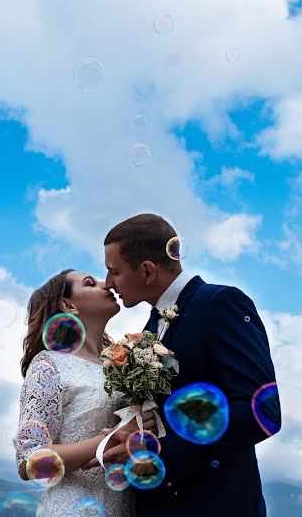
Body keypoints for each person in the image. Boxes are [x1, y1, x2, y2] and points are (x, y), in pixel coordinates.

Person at [97, 213, 281, 516]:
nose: (108, 283)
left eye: (113, 272)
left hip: (216, 503)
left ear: (146, 271)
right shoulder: (151, 326)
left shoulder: (219, 303)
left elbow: (260, 411)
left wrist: (159, 452)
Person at [14, 269, 155, 516]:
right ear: (68, 304)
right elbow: (30, 462)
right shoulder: (49, 365)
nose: (107, 284)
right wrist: (111, 440)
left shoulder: (123, 365)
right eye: (91, 283)